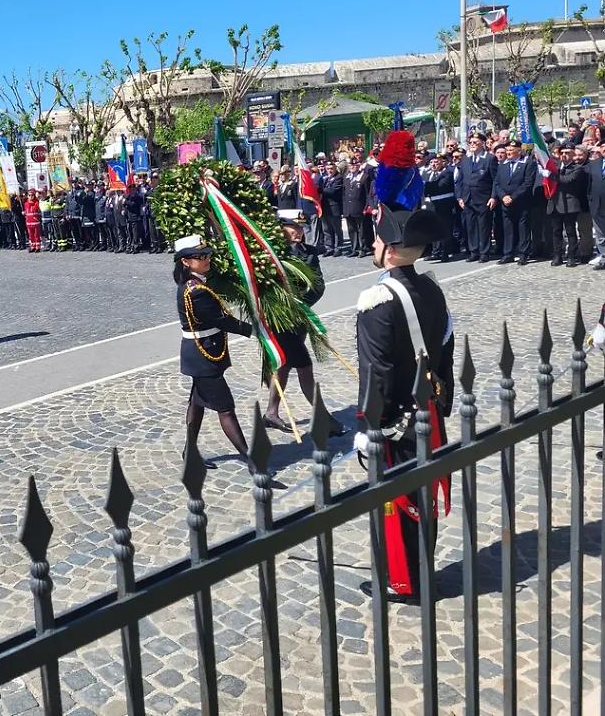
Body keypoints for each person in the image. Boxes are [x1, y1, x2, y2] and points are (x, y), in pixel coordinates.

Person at [353, 204, 455, 603]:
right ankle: (421, 571)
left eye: (378, 240)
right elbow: (444, 349)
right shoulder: (431, 286)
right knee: (423, 497)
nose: (373, 244)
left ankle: (404, 581)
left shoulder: (377, 298)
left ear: (391, 251)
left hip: (396, 415)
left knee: (400, 504)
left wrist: (370, 424)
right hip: (428, 407)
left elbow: (375, 369)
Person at [174, 234, 258, 473]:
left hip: (203, 352)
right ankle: (252, 461)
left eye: (207, 254)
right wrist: (255, 330)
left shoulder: (197, 282)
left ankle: (189, 452)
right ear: (186, 262)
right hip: (203, 357)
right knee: (226, 408)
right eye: (200, 256)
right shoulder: (196, 290)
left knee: (197, 403)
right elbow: (221, 320)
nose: (206, 259)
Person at [262, 210, 344, 437]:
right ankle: (323, 418)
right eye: (293, 227)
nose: (298, 231)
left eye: (300, 227)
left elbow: (318, 286)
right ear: (281, 228)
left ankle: (271, 412)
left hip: (299, 318)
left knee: (284, 366)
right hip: (280, 321)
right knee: (305, 368)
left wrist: (299, 304)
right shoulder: (271, 253)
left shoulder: (309, 252)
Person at [492, 141, 536, 266]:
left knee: (523, 228)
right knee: (508, 228)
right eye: (507, 150)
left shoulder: (527, 163)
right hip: (505, 202)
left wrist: (513, 197)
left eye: (511, 150)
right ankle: (508, 253)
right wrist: (503, 196)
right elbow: (497, 183)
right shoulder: (502, 165)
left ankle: (523, 254)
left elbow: (527, 183)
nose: (508, 153)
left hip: (521, 202)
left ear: (519, 151)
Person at [457, 132, 496, 262]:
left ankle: (484, 252)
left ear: (482, 144)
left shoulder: (489, 158)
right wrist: (460, 197)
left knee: (484, 226)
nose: (472, 145)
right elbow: (460, 180)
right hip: (468, 198)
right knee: (471, 226)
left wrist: (493, 196)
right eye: (471, 143)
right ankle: (474, 252)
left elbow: (495, 180)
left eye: (475, 142)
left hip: (483, 198)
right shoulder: (466, 160)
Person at [547, 145, 587, 267]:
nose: (564, 155)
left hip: (569, 204)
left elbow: (567, 180)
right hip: (555, 203)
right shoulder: (556, 168)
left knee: (570, 232)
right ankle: (557, 255)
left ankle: (571, 256)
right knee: (556, 232)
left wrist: (552, 175)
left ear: (573, 154)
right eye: (562, 153)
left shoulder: (577, 168)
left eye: (567, 152)